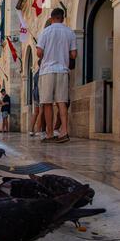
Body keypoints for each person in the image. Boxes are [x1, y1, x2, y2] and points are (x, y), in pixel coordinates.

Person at [36, 8, 77, 143]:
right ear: (63, 18)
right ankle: (64, 131)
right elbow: (73, 55)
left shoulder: (45, 32)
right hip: (62, 70)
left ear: (51, 18)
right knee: (61, 102)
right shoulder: (69, 32)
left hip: (47, 70)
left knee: (47, 103)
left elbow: (39, 53)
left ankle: (49, 133)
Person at [30, 59, 46, 138]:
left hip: (35, 94)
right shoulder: (42, 73)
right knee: (41, 111)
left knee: (36, 112)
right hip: (40, 93)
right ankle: (38, 130)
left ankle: (31, 130)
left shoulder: (36, 73)